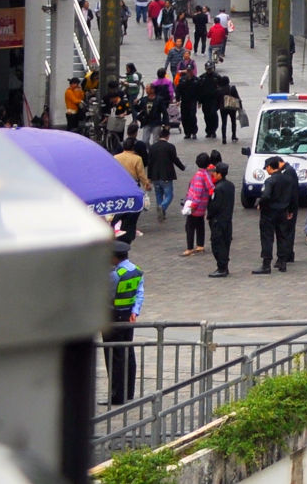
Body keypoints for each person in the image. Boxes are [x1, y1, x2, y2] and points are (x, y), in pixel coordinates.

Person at [106, 239, 144, 405]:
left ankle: (117, 394)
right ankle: (129, 391)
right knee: (128, 352)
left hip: (113, 316)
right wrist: (135, 311)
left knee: (114, 355)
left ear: (115, 257)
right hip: (128, 316)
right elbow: (140, 293)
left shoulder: (115, 274)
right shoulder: (136, 270)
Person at [255, 156, 301, 274]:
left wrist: (260, 203)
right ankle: (282, 262)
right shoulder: (288, 179)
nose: (266, 170)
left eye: (266, 168)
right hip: (283, 212)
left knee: (267, 238)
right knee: (282, 237)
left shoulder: (270, 181)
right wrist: (291, 210)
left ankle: (266, 264)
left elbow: (266, 196)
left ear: (270, 167)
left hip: (269, 213)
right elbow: (293, 196)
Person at [111, 139, 152, 243]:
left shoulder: (116, 157)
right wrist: (146, 184)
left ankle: (118, 225)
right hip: (132, 185)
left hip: (118, 185)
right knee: (132, 207)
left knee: (120, 206)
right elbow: (141, 174)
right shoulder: (137, 158)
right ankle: (129, 227)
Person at [204, 154, 236, 276]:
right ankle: (224, 266)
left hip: (218, 220)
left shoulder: (218, 189)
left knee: (218, 244)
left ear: (219, 174)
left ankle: (221, 268)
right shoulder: (230, 186)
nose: (213, 174)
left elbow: (214, 206)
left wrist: (209, 215)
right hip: (227, 219)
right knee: (226, 243)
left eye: (215, 173)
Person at [143, 127, 181, 224]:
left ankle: (161, 212)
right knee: (169, 195)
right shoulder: (170, 147)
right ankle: (162, 207)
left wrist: (149, 177)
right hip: (166, 175)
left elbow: (150, 163)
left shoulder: (152, 147)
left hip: (155, 176)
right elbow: (175, 159)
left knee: (159, 195)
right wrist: (182, 167)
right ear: (168, 136)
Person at [180, 150, 212, 257]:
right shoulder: (207, 174)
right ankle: (200, 245)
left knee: (189, 227)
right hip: (203, 206)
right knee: (200, 225)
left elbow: (197, 192)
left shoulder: (199, 175)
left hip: (195, 207)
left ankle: (189, 248)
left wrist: (193, 206)